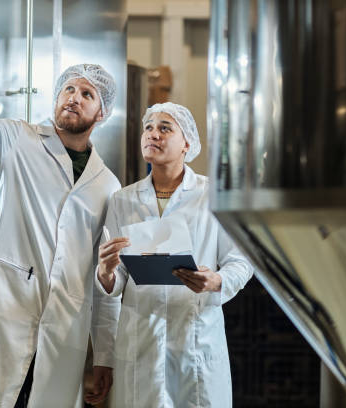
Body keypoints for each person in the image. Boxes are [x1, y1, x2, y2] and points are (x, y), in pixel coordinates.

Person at [0, 2, 120, 407]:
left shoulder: (107, 185)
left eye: (86, 94)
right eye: (68, 89)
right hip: (3, 316)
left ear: (102, 112)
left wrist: (105, 355)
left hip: (61, 335)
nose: (74, 97)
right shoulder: (14, 140)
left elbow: (105, 279)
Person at [91, 102, 254, 407]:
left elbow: (242, 261)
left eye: (165, 128)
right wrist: (106, 273)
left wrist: (216, 280)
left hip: (195, 339)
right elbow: (115, 284)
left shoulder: (213, 196)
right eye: (148, 127)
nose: (153, 134)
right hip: (140, 343)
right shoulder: (123, 200)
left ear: (187, 144)